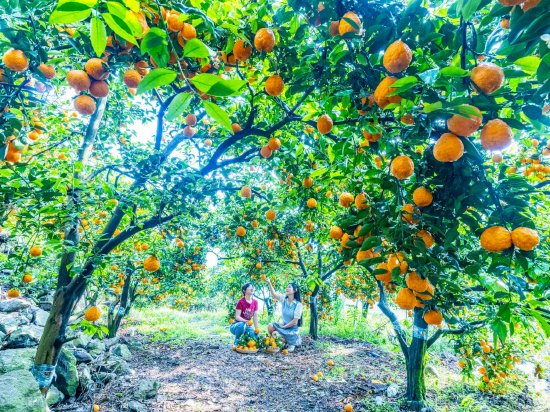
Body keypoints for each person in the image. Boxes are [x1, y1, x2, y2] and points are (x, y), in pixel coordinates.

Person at [265, 279, 303, 352]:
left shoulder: (298, 305)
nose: (287, 288)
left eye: (289, 287)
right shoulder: (284, 299)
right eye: (286, 287)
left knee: (286, 335)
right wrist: (269, 283)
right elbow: (274, 295)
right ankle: (283, 342)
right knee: (270, 326)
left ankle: (290, 343)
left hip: (292, 330)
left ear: (294, 290)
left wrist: (284, 326)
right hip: (284, 327)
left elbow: (295, 322)